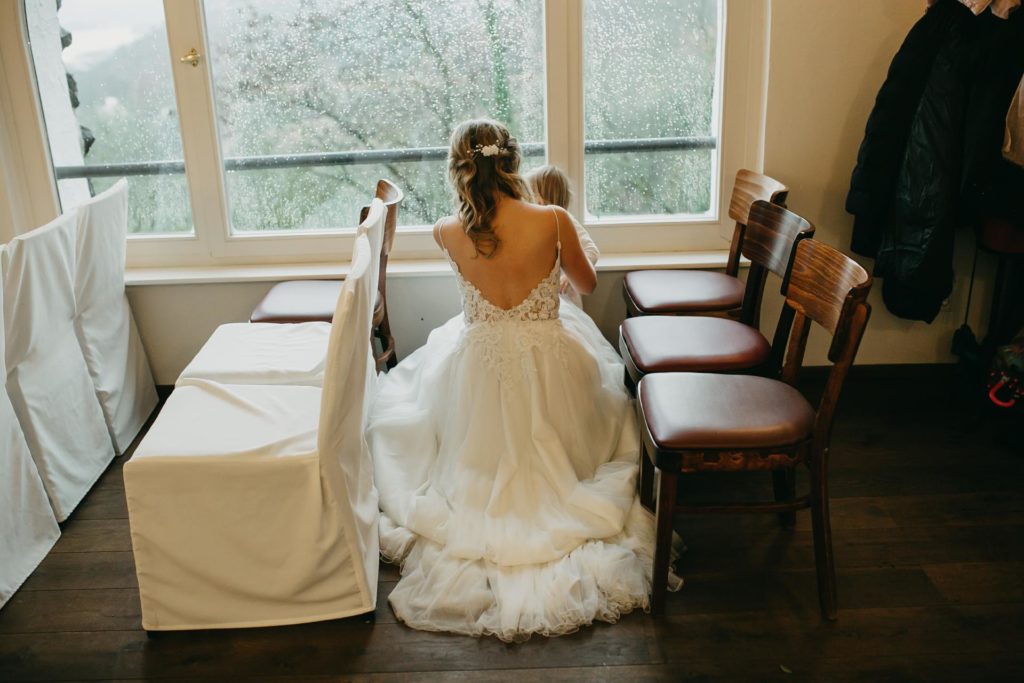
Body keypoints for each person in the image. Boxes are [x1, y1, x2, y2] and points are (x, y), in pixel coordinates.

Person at [366, 119, 678, 643]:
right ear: (512, 162)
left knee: (421, 418)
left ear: (459, 169)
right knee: (606, 412)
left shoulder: (445, 231)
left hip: (478, 369)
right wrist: (548, 271)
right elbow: (585, 283)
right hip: (550, 361)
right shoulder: (553, 219)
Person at [524, 165, 600, 308]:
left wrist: (569, 278)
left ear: (539, 198)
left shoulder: (566, 221)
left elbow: (591, 250)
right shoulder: (531, 222)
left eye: (528, 196)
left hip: (564, 295)